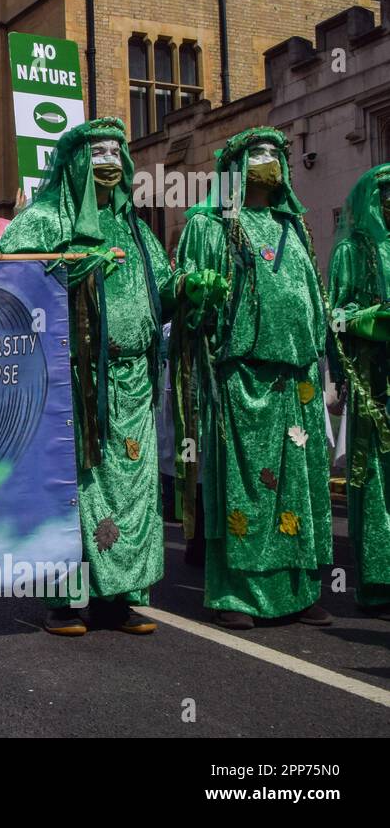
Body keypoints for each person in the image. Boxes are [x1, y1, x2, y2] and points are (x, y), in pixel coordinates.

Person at [0, 118, 199, 637]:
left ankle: (119, 598)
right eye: (99, 151)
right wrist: (75, 273)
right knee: (75, 489)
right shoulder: (42, 220)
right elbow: (8, 285)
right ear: (77, 161)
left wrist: (190, 288)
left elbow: (161, 293)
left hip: (133, 386)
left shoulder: (135, 227)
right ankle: (65, 601)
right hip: (74, 384)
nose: (110, 160)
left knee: (132, 490)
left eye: (117, 151)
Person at [174, 127, 333, 631]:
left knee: (298, 489)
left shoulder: (295, 229)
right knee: (248, 488)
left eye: (274, 155)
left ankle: (299, 591)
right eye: (257, 155)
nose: (268, 163)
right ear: (235, 169)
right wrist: (201, 301)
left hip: (298, 379)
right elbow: (193, 306)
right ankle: (237, 596)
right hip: (243, 377)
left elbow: (313, 300)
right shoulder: (213, 228)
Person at [326, 163, 390, 620]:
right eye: (385, 194)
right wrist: (370, 318)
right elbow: (337, 316)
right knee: (377, 479)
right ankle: (380, 582)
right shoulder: (353, 251)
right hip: (375, 381)